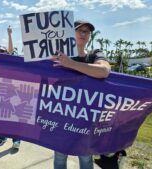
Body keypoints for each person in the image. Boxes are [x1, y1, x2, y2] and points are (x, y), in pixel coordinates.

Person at [51, 20, 111, 169]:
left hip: (86, 120)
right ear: (71, 33)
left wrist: (70, 64)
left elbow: (104, 71)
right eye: (80, 30)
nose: (83, 34)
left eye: (87, 31)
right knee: (59, 158)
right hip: (61, 117)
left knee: (85, 159)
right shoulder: (57, 54)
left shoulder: (94, 54)